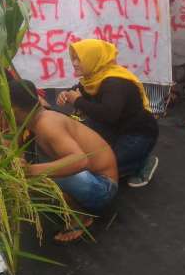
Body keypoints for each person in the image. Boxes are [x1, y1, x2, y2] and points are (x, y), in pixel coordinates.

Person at [11, 79, 118, 244]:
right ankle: (75, 206)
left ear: (15, 109)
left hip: (103, 189)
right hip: (92, 180)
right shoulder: (35, 117)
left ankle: (81, 218)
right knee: (34, 173)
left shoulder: (46, 124)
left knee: (37, 176)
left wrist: (31, 170)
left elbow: (80, 161)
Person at [57, 40, 159, 188]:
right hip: (114, 127)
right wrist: (66, 95)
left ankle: (143, 162)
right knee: (91, 158)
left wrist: (77, 100)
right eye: (73, 58)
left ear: (94, 59)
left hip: (137, 133)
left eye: (79, 59)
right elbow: (78, 91)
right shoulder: (92, 77)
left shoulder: (114, 83)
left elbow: (108, 114)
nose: (74, 63)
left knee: (104, 169)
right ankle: (123, 155)